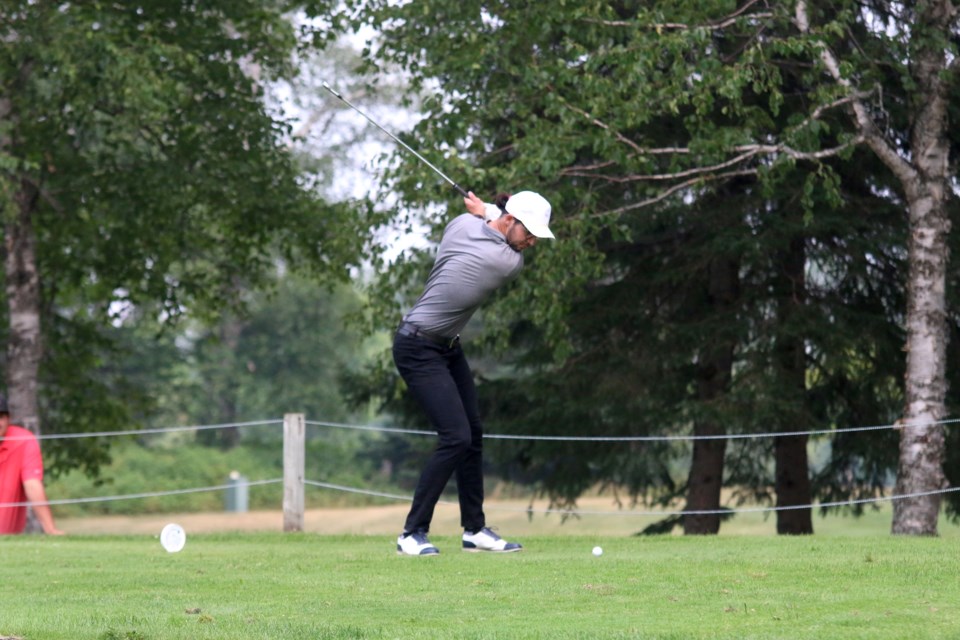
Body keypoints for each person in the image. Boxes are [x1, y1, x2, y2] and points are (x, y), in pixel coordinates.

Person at [393, 189, 555, 556]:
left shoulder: (461, 224)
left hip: (447, 346)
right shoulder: (506, 263)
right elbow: (495, 231)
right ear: (510, 220)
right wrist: (489, 209)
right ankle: (411, 533)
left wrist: (486, 211)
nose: (531, 242)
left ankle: (474, 530)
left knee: (473, 433)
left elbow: (486, 222)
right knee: (456, 437)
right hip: (417, 348)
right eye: (529, 233)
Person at [0, 395, 64, 535]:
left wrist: (50, 529)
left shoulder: (23, 440)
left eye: (0, 416)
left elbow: (32, 485)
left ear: (8, 419)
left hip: (9, 542)